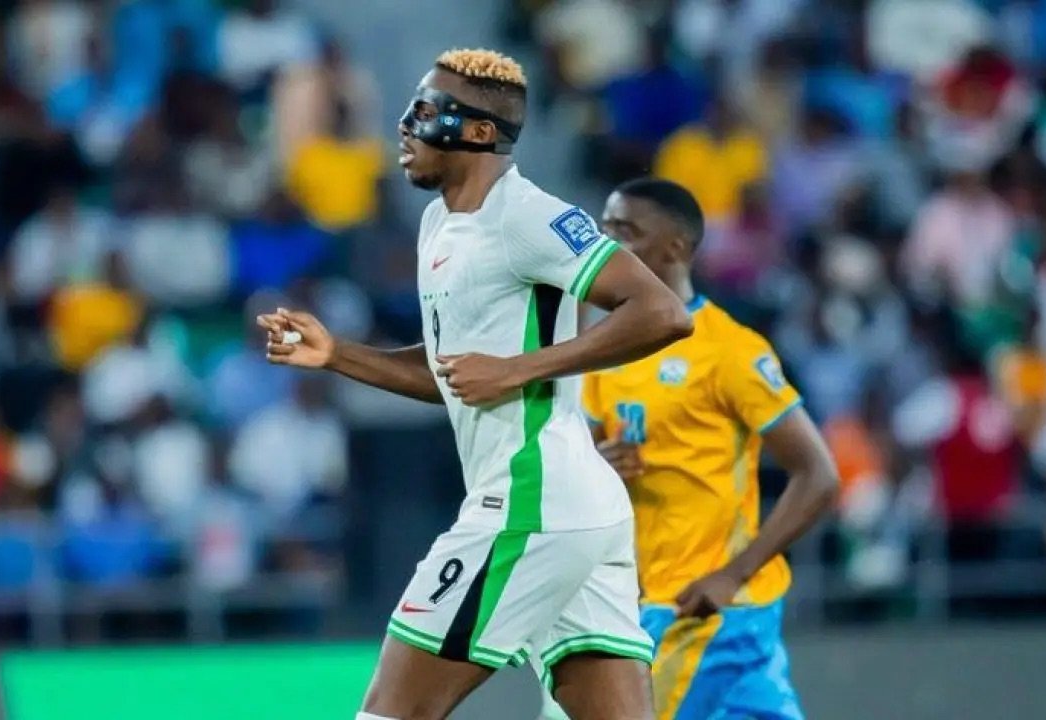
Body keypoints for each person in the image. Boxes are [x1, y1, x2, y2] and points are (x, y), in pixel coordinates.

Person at [257, 49, 692, 720]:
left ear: (482, 132)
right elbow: (455, 375)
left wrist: (521, 368)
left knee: (390, 713)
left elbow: (662, 313)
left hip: (530, 502)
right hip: (575, 508)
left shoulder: (529, 216)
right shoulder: (441, 223)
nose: (405, 126)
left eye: (427, 112)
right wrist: (338, 354)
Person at [578, 178, 839, 720]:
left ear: (674, 247)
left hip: (703, 609)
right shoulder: (604, 350)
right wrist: (595, 468)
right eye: (603, 228)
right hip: (646, 599)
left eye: (624, 232)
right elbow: (578, 474)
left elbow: (818, 474)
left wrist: (732, 573)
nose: (605, 243)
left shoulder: (728, 350)